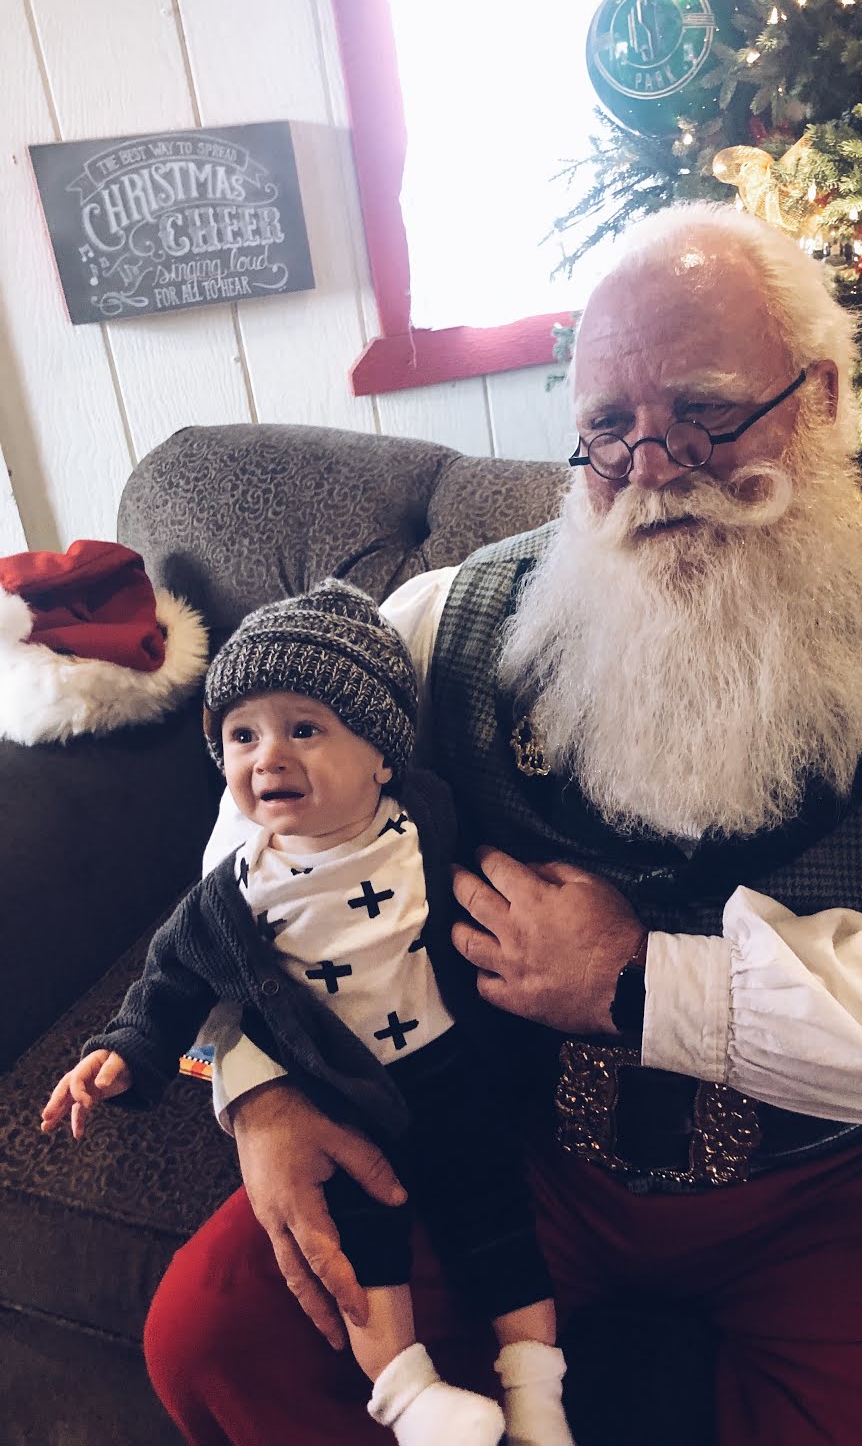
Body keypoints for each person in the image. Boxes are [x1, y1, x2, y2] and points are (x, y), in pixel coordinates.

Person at [144, 201, 862, 1446]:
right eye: (609, 426)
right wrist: (259, 1082)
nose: (654, 465)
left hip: (850, 1172)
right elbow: (255, 830)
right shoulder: (445, 622)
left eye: (706, 409)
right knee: (217, 1335)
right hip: (508, 1138)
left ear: (820, 397)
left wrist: (639, 982)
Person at [42, 581, 573, 1446]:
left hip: (454, 1071)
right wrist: (126, 1050)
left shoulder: (429, 819)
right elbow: (170, 982)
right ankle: (409, 1398)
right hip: (338, 1097)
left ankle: (536, 1391)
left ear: (383, 756)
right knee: (365, 1256)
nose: (269, 758)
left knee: (497, 1218)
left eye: (305, 729)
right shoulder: (233, 894)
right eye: (242, 735)